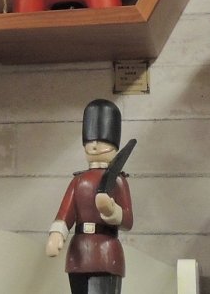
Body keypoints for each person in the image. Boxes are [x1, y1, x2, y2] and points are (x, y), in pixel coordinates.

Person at [46, 99, 134, 294]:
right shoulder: (78, 181)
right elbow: (65, 213)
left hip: (107, 252)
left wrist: (113, 212)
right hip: (78, 254)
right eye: (91, 142)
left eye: (103, 142)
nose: (95, 146)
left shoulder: (118, 180)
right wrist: (57, 234)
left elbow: (128, 220)